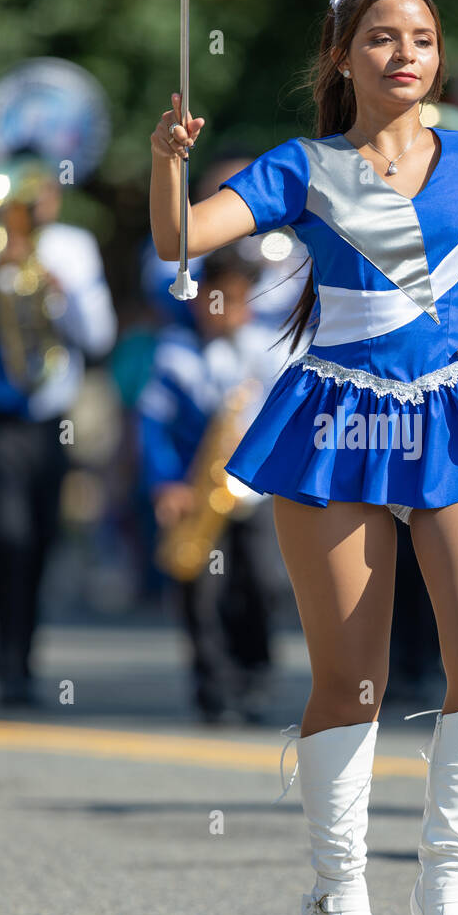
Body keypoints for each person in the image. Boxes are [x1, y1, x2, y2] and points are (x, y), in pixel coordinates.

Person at [149, 0, 458, 915]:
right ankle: (336, 896)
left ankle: (445, 889)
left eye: (422, 40)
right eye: (383, 39)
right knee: (352, 675)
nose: (406, 55)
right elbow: (177, 238)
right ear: (342, 58)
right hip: (337, 418)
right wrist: (165, 166)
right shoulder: (302, 169)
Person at [0, 156, 117, 706]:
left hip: (49, 412)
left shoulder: (72, 246)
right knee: (4, 531)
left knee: (40, 535)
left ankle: (22, 651)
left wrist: (59, 292)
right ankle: (3, 657)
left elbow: (99, 336)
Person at [136, 243, 289, 722]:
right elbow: (153, 426)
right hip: (196, 489)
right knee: (200, 594)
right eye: (214, 299)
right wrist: (166, 483)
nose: (223, 311)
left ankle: (255, 676)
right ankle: (213, 687)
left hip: (255, 491)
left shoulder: (271, 348)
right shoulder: (175, 353)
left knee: (260, 584)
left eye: (235, 299)